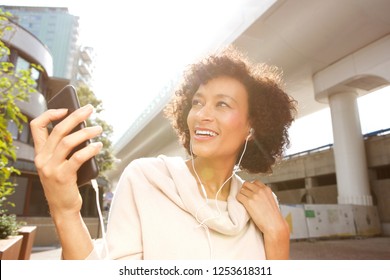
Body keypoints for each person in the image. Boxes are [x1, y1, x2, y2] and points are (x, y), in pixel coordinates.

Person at [30, 46, 296, 260]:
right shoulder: (145, 179)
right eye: (197, 102)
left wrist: (278, 234)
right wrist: (65, 211)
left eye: (222, 104)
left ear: (251, 127)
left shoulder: (262, 202)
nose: (202, 115)